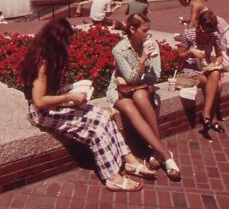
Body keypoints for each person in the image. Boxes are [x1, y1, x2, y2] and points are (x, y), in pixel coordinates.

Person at [20, 18, 151, 191]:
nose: (68, 45)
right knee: (95, 129)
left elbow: (50, 91)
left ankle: (129, 160)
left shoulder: (49, 55)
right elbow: (39, 101)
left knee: (104, 115)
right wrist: (69, 97)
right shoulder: (43, 63)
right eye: (66, 40)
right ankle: (112, 177)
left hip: (52, 104)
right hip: (42, 113)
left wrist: (72, 91)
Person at [105, 14, 182, 181]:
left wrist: (142, 74)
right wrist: (142, 60)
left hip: (140, 88)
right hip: (119, 90)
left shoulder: (151, 44)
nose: (148, 34)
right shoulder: (119, 49)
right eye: (144, 30)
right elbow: (130, 80)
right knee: (130, 108)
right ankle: (166, 155)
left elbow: (156, 76)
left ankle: (156, 151)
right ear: (132, 29)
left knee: (140, 95)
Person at [176, 11, 225, 134]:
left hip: (205, 68)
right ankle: (212, 119)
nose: (207, 34)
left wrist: (216, 63)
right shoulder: (189, 34)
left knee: (215, 74)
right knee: (217, 85)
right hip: (189, 71)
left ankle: (206, 115)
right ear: (199, 25)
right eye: (205, 31)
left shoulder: (214, 35)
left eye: (210, 31)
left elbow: (219, 55)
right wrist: (191, 52)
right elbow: (179, 57)